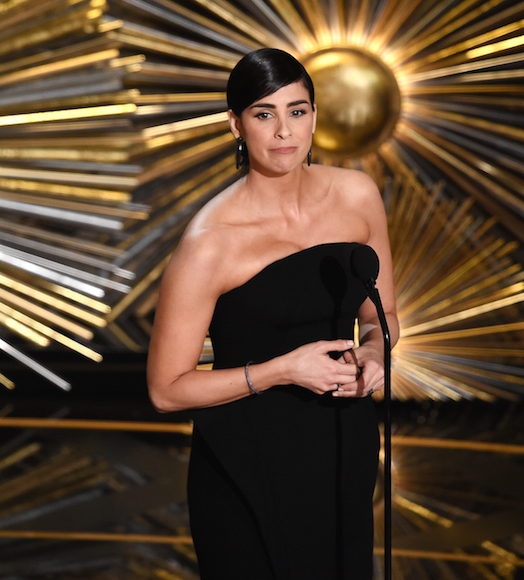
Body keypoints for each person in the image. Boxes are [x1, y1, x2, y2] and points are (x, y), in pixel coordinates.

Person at [146, 47, 399, 580]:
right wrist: (282, 369)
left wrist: (375, 351)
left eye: (297, 111)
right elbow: (167, 389)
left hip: (341, 447)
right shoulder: (210, 243)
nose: (284, 130)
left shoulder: (356, 196)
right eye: (265, 114)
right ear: (235, 124)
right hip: (246, 461)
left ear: (314, 117)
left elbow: (383, 315)